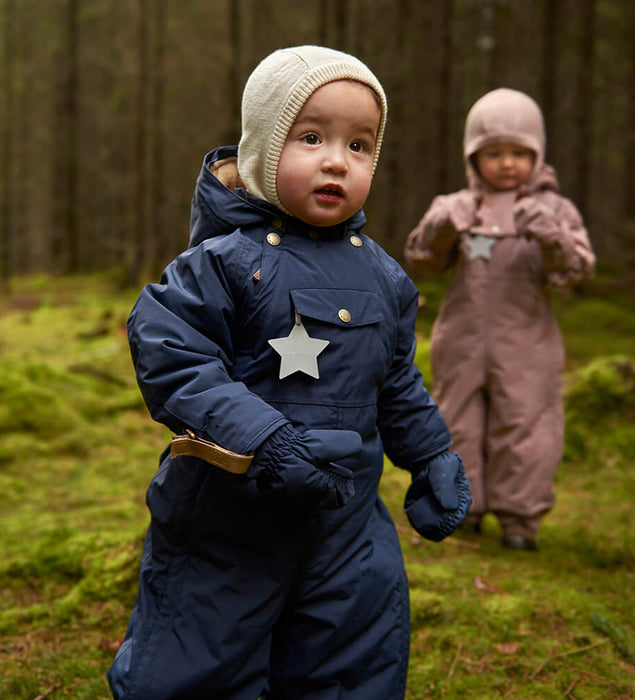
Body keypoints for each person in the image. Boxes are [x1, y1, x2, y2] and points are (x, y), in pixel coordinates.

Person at [107, 45, 471, 700]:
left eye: (359, 145)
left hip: (346, 520)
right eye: (311, 137)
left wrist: (434, 455)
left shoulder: (384, 277)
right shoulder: (222, 261)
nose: (337, 159)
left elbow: (396, 383)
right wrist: (265, 440)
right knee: (202, 659)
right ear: (263, 151)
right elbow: (171, 351)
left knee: (349, 658)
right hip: (233, 515)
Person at [405, 88, 595, 551]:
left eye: (518, 152)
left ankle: (519, 521)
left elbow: (576, 269)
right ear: (474, 157)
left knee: (526, 425)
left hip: (527, 340)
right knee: (458, 422)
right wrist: (441, 227)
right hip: (463, 336)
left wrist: (553, 240)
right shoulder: (456, 204)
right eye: (493, 153)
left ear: (537, 154)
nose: (507, 163)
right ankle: (461, 508)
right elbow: (422, 259)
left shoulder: (555, 210)